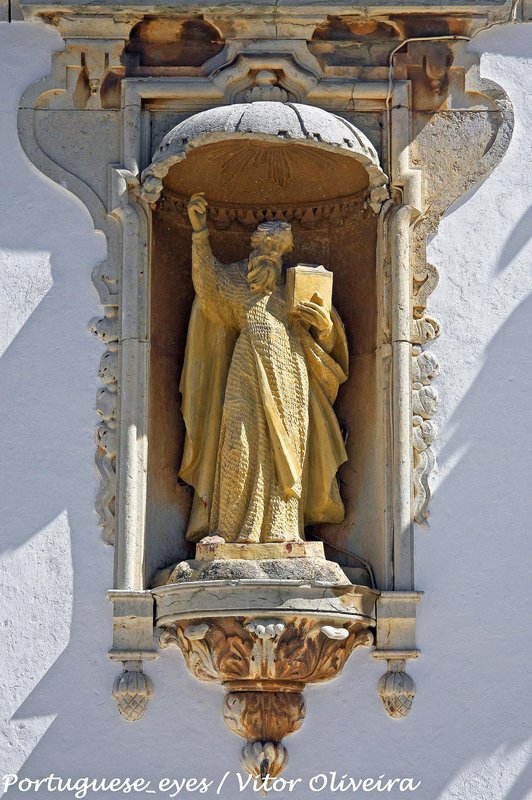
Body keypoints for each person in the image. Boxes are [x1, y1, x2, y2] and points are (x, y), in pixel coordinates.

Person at [179, 193, 349, 544]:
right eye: (266, 245)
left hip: (290, 375)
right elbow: (208, 289)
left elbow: (329, 344)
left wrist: (326, 327)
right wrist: (200, 234)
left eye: (278, 249)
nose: (270, 254)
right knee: (236, 444)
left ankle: (283, 531)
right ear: (254, 245)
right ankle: (225, 530)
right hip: (244, 369)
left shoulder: (295, 289)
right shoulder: (238, 281)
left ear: (285, 254)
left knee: (283, 452)